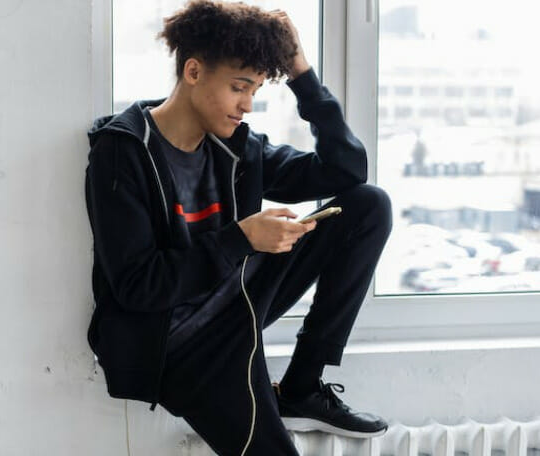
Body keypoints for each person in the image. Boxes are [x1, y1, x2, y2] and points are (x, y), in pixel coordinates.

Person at [84, 1, 393, 454]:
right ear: (193, 71)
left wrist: (302, 74)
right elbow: (137, 285)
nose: (248, 104)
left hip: (239, 302)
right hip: (182, 343)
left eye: (256, 89)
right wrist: (241, 239)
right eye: (238, 87)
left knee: (367, 206)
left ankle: (302, 387)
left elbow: (348, 170)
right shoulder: (123, 152)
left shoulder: (237, 148)